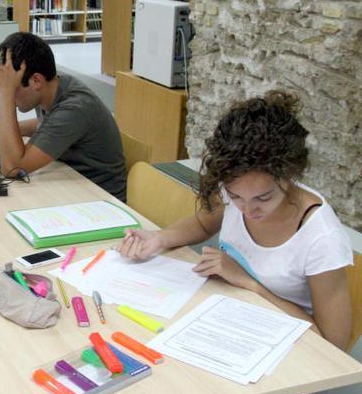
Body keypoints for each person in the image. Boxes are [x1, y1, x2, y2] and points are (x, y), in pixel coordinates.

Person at [116, 91, 353, 349]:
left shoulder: (321, 238)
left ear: (290, 174)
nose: (248, 210)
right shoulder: (240, 183)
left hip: (286, 349)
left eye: (263, 198)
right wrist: (159, 238)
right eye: (235, 196)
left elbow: (333, 344)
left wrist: (250, 283)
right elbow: (203, 224)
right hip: (229, 322)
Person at [0, 32, 126, 199]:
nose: (10, 97)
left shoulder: (73, 109)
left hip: (100, 201)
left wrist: (6, 93)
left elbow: (12, 168)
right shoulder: (54, 87)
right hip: (73, 185)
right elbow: (46, 125)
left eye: (12, 88)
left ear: (36, 81)